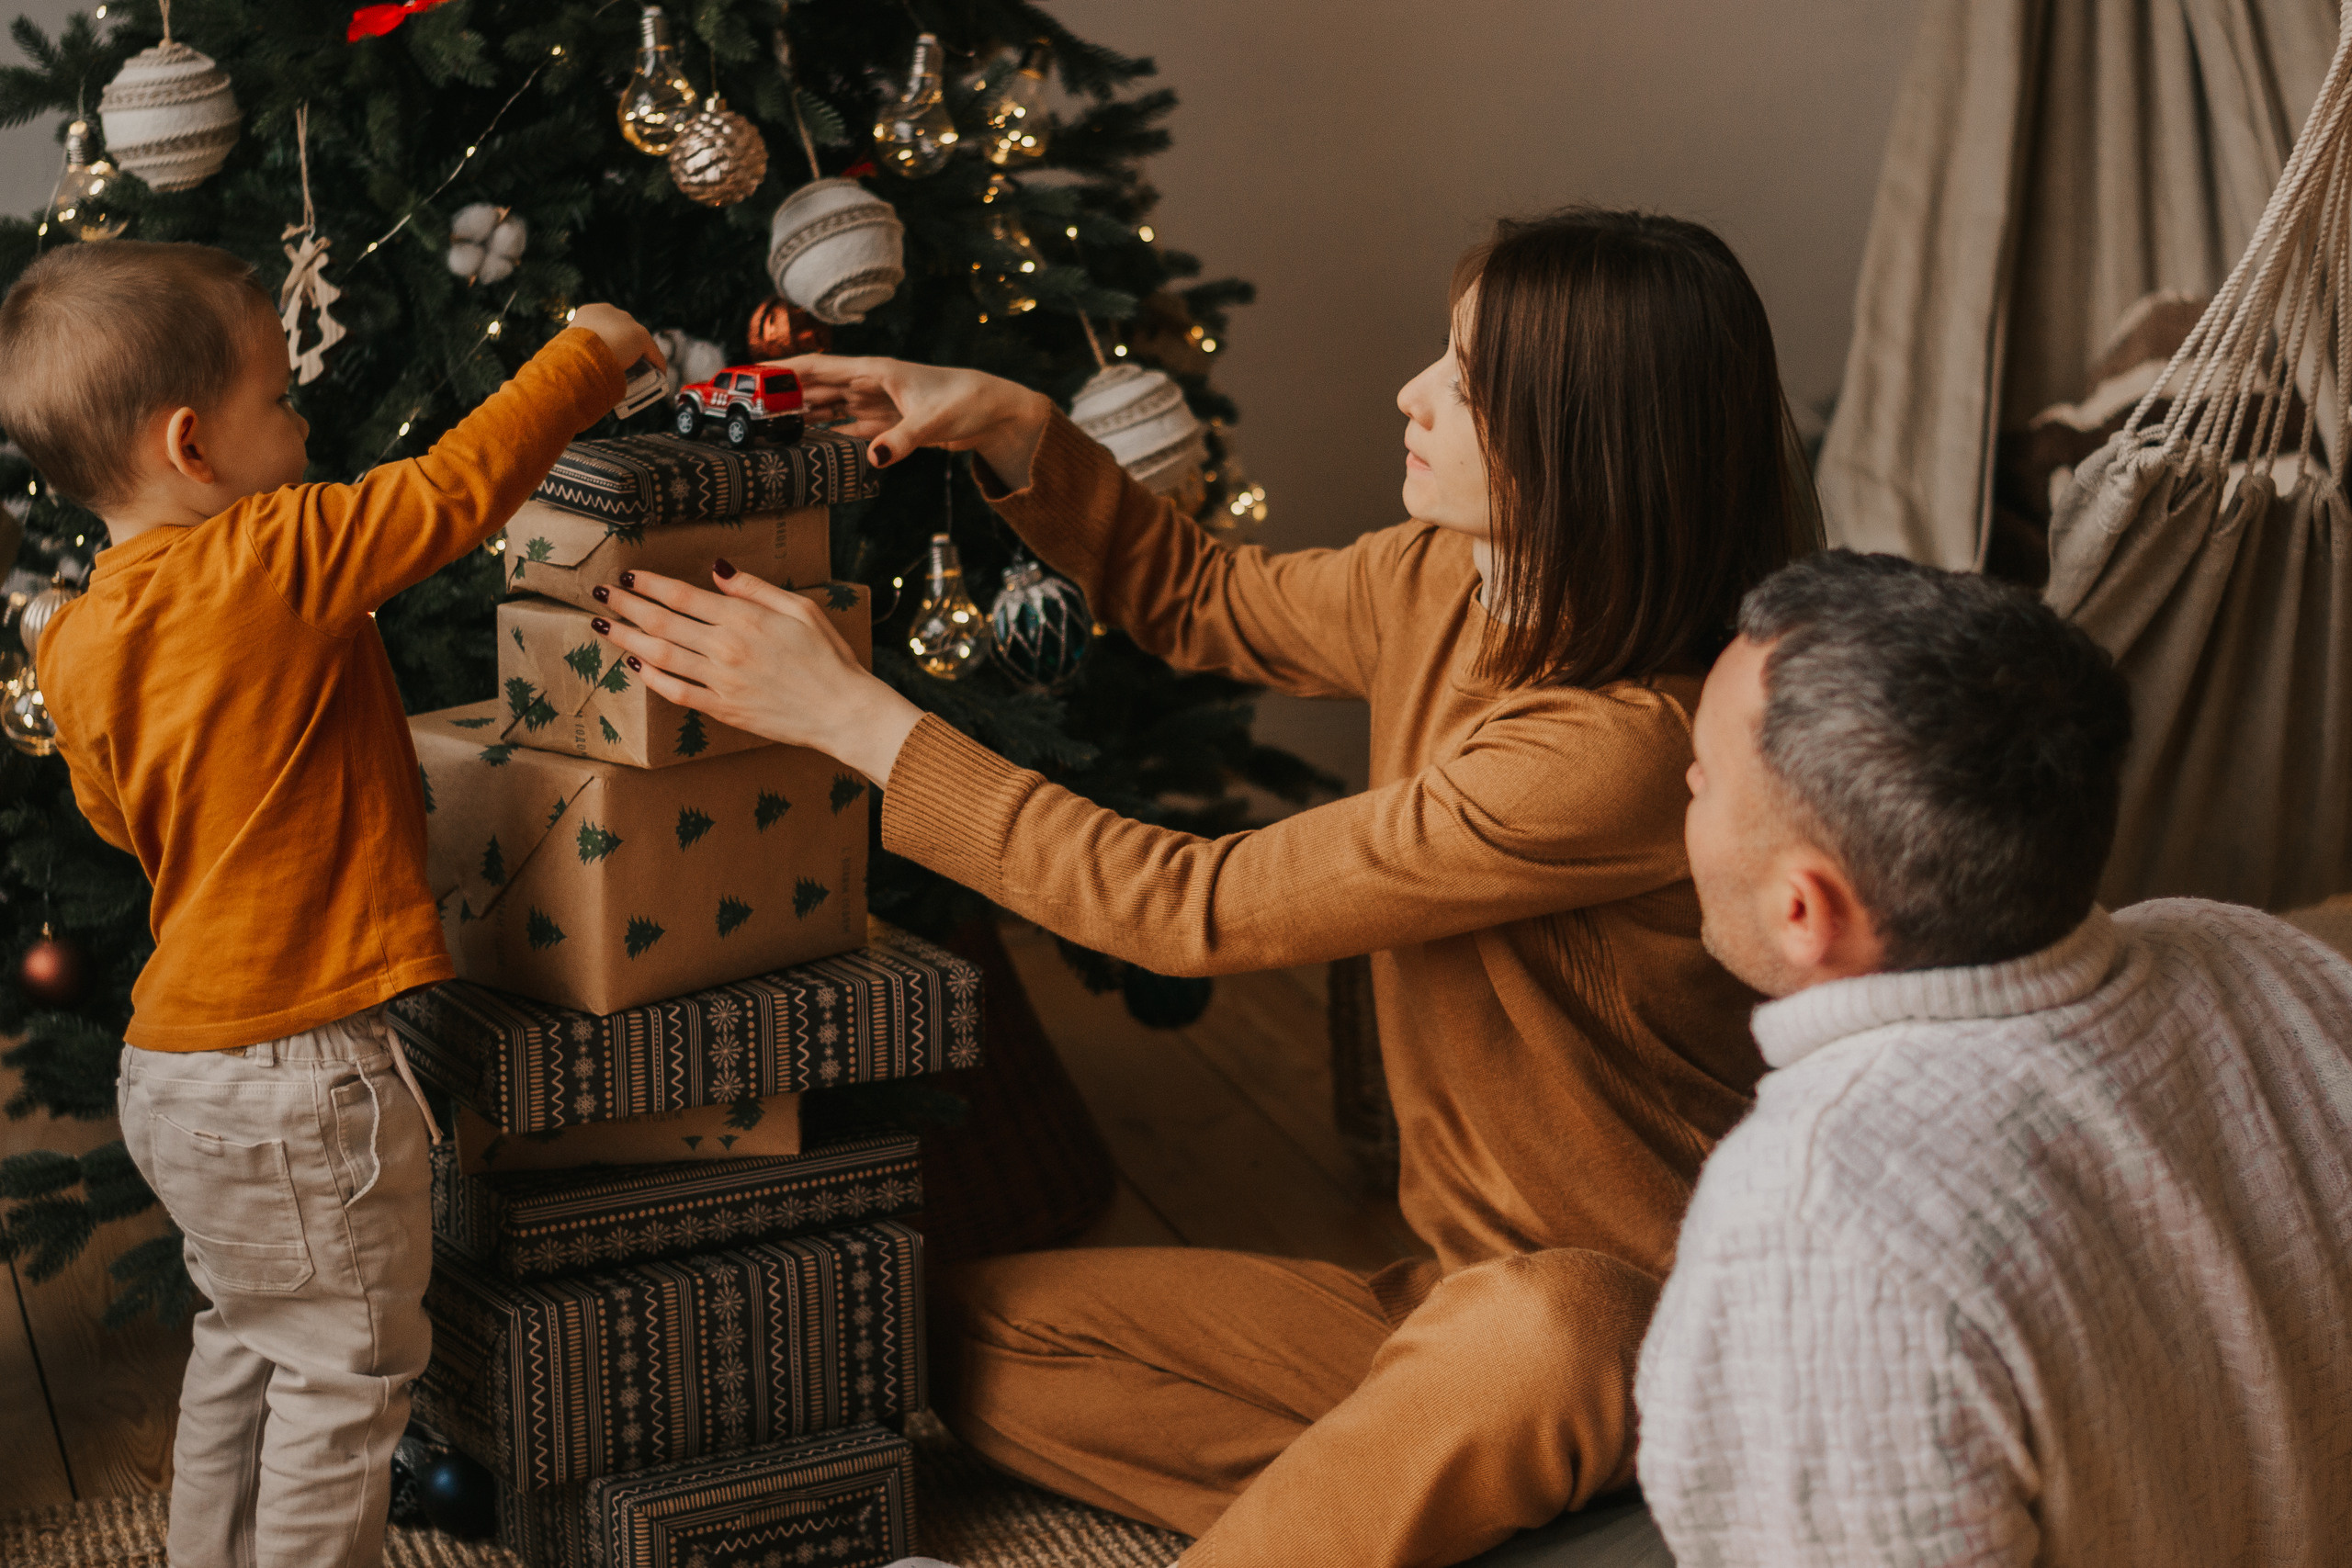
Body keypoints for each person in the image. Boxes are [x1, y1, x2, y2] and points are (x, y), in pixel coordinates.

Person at [589, 208, 1818, 1566]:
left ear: (1586, 445)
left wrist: (856, 720)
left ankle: (1446, 1487)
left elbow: (1194, 906)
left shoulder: (1620, 745)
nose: (1413, 393)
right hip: (1451, 1305)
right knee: (954, 1330)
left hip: (1646, 1326)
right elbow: (1206, 598)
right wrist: (1014, 427)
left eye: (1467, 383)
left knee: (1542, 1323)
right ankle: (1433, 1503)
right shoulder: (1449, 580)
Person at [0, 241, 657, 1568]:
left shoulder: (72, 637)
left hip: (170, 1067)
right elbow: (456, 490)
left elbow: (118, 817)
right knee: (349, 1378)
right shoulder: (273, 553)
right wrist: (587, 352)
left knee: (250, 1338)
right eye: (282, 398)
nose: (304, 421)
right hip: (299, 1066)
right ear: (194, 442)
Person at [1641, 549, 2352, 1564]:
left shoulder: (1817, 1219)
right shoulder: (2263, 960)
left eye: (1703, 781)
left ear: (1804, 912)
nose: (1686, 788)